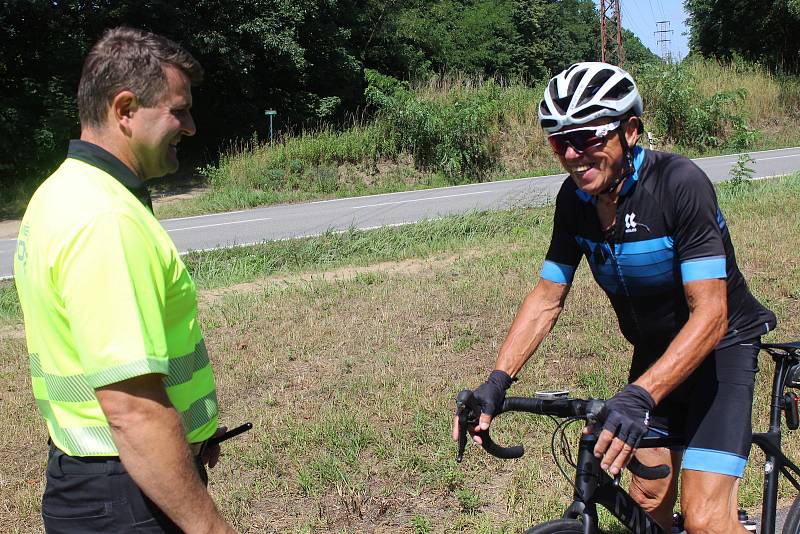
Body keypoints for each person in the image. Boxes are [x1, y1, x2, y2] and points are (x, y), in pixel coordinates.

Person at [452, 62, 777, 534]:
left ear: (629, 131)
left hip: (721, 348)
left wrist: (641, 395)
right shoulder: (575, 202)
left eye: (586, 138)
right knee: (647, 501)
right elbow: (547, 296)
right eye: (558, 141)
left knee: (706, 520)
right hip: (654, 354)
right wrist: (497, 381)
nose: (571, 154)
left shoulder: (678, 185)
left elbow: (711, 313)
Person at [14, 27, 236, 533]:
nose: (191, 126)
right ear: (126, 108)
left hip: (91, 481)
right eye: (178, 110)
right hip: (127, 495)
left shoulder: (60, 192)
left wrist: (192, 437)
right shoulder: (105, 218)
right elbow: (132, 410)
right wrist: (210, 527)